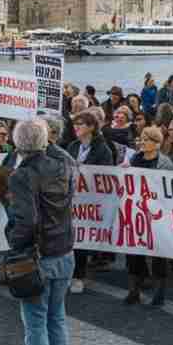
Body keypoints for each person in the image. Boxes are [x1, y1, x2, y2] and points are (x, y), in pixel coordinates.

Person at [2, 118, 76, 345]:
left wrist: (12, 238)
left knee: (35, 323)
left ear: (17, 143)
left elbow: (27, 220)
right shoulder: (63, 166)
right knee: (56, 319)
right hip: (64, 251)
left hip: (38, 256)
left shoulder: (22, 175)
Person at [123, 125, 173, 306]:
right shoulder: (134, 159)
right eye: (141, 139)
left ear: (157, 144)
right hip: (136, 213)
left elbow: (170, 190)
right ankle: (133, 290)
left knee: (158, 254)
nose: (142, 142)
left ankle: (159, 294)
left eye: (147, 139)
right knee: (133, 253)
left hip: (157, 214)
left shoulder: (165, 164)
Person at [66, 108, 114, 295]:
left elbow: (106, 176)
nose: (76, 127)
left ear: (91, 127)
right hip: (71, 199)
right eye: (75, 124)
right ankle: (68, 273)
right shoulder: (72, 146)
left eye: (80, 124)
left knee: (81, 240)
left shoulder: (103, 150)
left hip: (90, 201)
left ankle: (79, 276)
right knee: (69, 238)